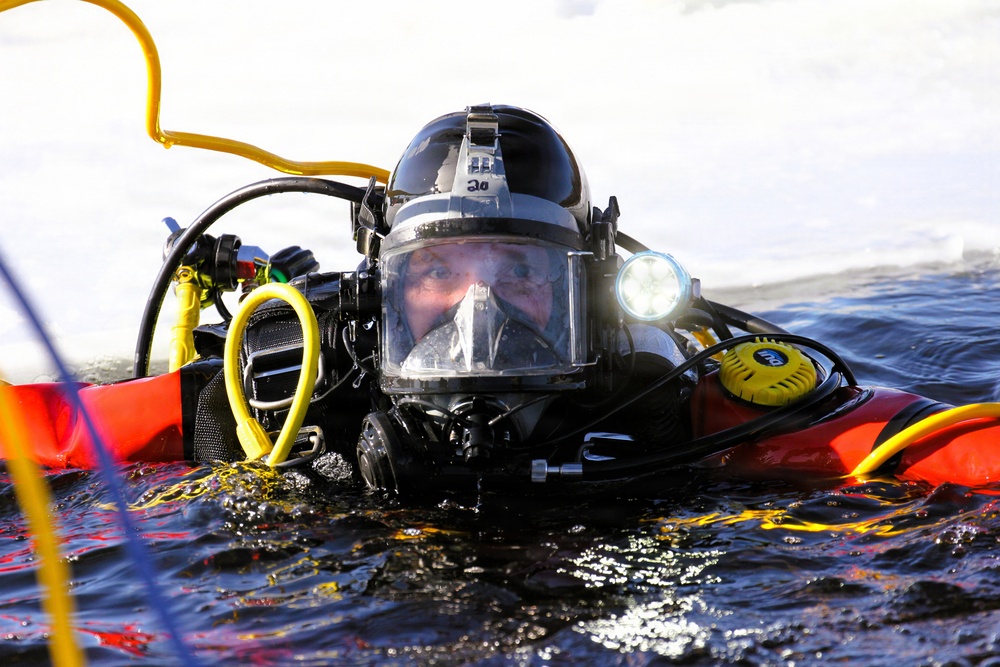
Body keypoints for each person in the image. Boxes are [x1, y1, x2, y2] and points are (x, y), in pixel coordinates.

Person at [3, 104, 1000, 493]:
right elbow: (47, 428)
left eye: (519, 274)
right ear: (380, 286)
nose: (478, 314)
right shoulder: (289, 396)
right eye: (439, 274)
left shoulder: (652, 396)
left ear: (587, 290)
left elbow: (918, 442)